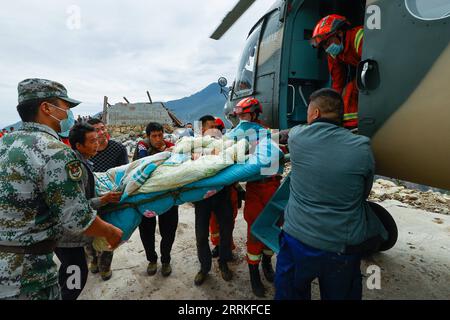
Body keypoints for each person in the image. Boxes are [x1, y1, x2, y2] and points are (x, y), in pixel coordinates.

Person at [0, 78, 122, 300]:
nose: (67, 114)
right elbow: (76, 218)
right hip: (28, 274)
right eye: (65, 107)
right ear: (46, 108)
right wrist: (111, 232)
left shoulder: (5, 144)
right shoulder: (56, 152)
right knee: (73, 281)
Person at [274, 88, 388, 300]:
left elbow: (283, 137)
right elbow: (363, 193)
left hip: (298, 238)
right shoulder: (362, 147)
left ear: (315, 114)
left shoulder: (298, 137)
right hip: (342, 247)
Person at [55, 123, 123, 300]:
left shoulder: (83, 162)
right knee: (75, 280)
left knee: (68, 271)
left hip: (70, 238)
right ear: (78, 145)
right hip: (69, 239)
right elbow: (77, 206)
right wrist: (103, 200)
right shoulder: (75, 167)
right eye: (92, 140)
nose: (97, 142)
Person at [226, 97, 282, 298]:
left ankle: (267, 264)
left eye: (244, 115)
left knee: (273, 226)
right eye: (238, 115)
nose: (241, 119)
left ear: (255, 114)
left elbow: (277, 160)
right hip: (256, 189)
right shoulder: (237, 135)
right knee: (255, 230)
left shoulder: (268, 134)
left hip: (273, 186)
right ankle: (253, 273)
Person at [84, 118, 129, 281]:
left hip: (111, 199)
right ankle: (93, 260)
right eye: (96, 130)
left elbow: (124, 173)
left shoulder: (118, 148)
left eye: (103, 128)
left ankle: (105, 266)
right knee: (88, 234)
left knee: (108, 232)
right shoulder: (87, 150)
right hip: (91, 200)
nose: (101, 132)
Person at [192, 115, 234, 286]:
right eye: (211, 127)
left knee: (226, 231)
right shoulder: (194, 146)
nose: (215, 130)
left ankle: (223, 263)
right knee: (201, 235)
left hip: (222, 195)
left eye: (216, 127)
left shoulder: (225, 143)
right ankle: (204, 267)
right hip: (202, 198)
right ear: (202, 129)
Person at [135, 122, 179, 277]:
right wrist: (161, 153)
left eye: (160, 135)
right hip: (147, 199)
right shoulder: (142, 146)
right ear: (148, 137)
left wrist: (167, 151)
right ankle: (152, 260)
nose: (158, 138)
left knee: (169, 231)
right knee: (147, 232)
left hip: (168, 197)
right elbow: (142, 164)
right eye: (154, 136)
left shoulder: (171, 146)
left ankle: (165, 260)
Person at [310, 14, 363, 129]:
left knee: (349, 93)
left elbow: (375, 62)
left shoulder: (358, 37)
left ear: (339, 33)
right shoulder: (334, 53)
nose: (327, 48)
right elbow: (337, 83)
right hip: (365, 74)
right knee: (345, 93)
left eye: (327, 42)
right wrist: (331, 106)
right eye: (323, 46)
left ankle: (352, 130)